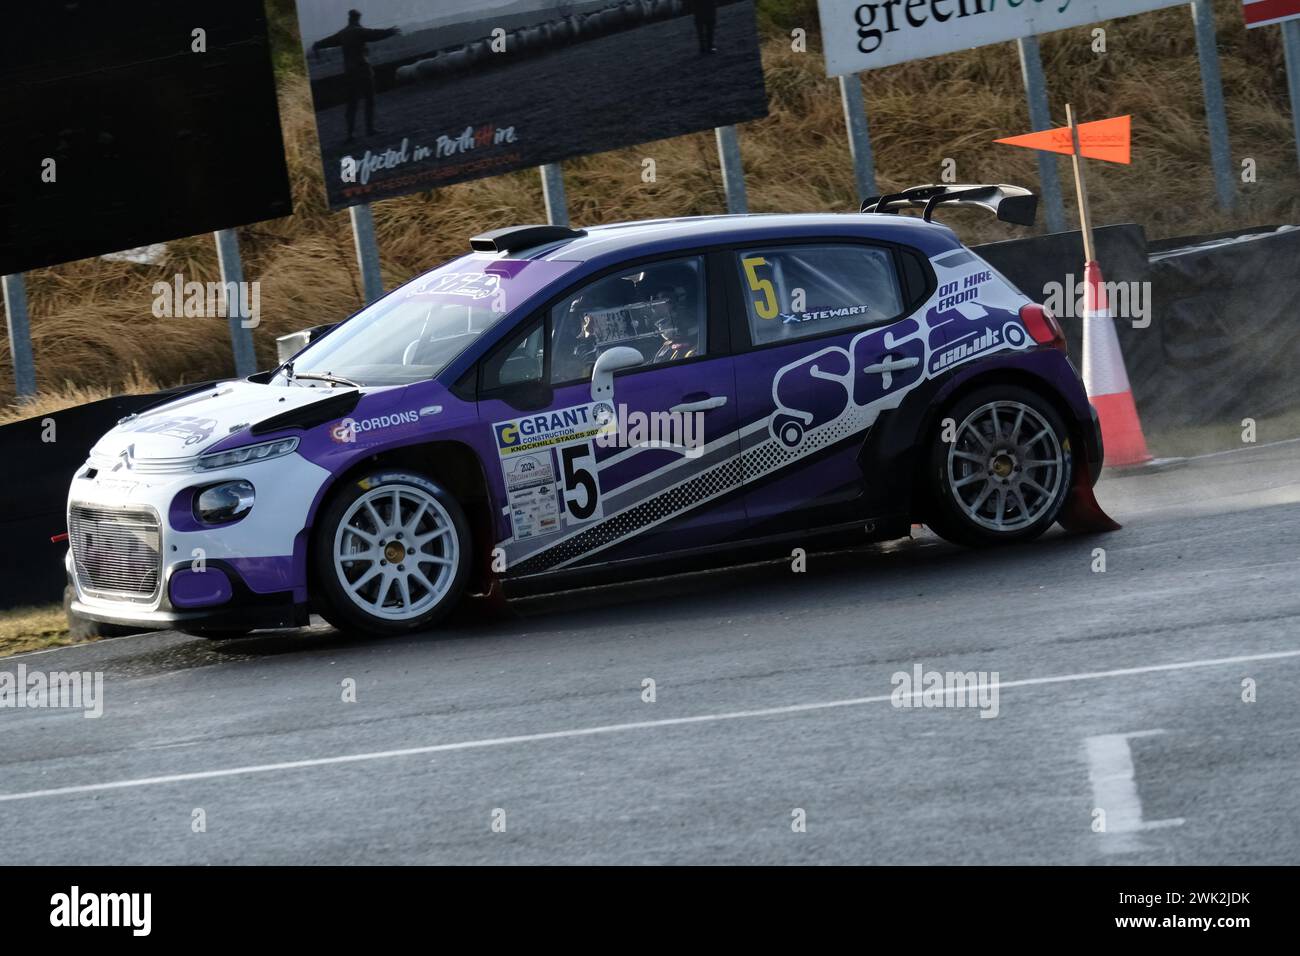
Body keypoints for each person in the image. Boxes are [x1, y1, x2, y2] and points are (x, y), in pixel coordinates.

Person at [313, 10, 402, 141]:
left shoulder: (342, 33)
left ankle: (350, 134)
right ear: (357, 18)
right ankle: (370, 129)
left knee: (352, 104)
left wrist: (317, 45)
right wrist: (390, 31)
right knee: (369, 100)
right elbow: (374, 34)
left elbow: (327, 42)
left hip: (349, 72)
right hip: (363, 70)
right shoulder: (358, 31)